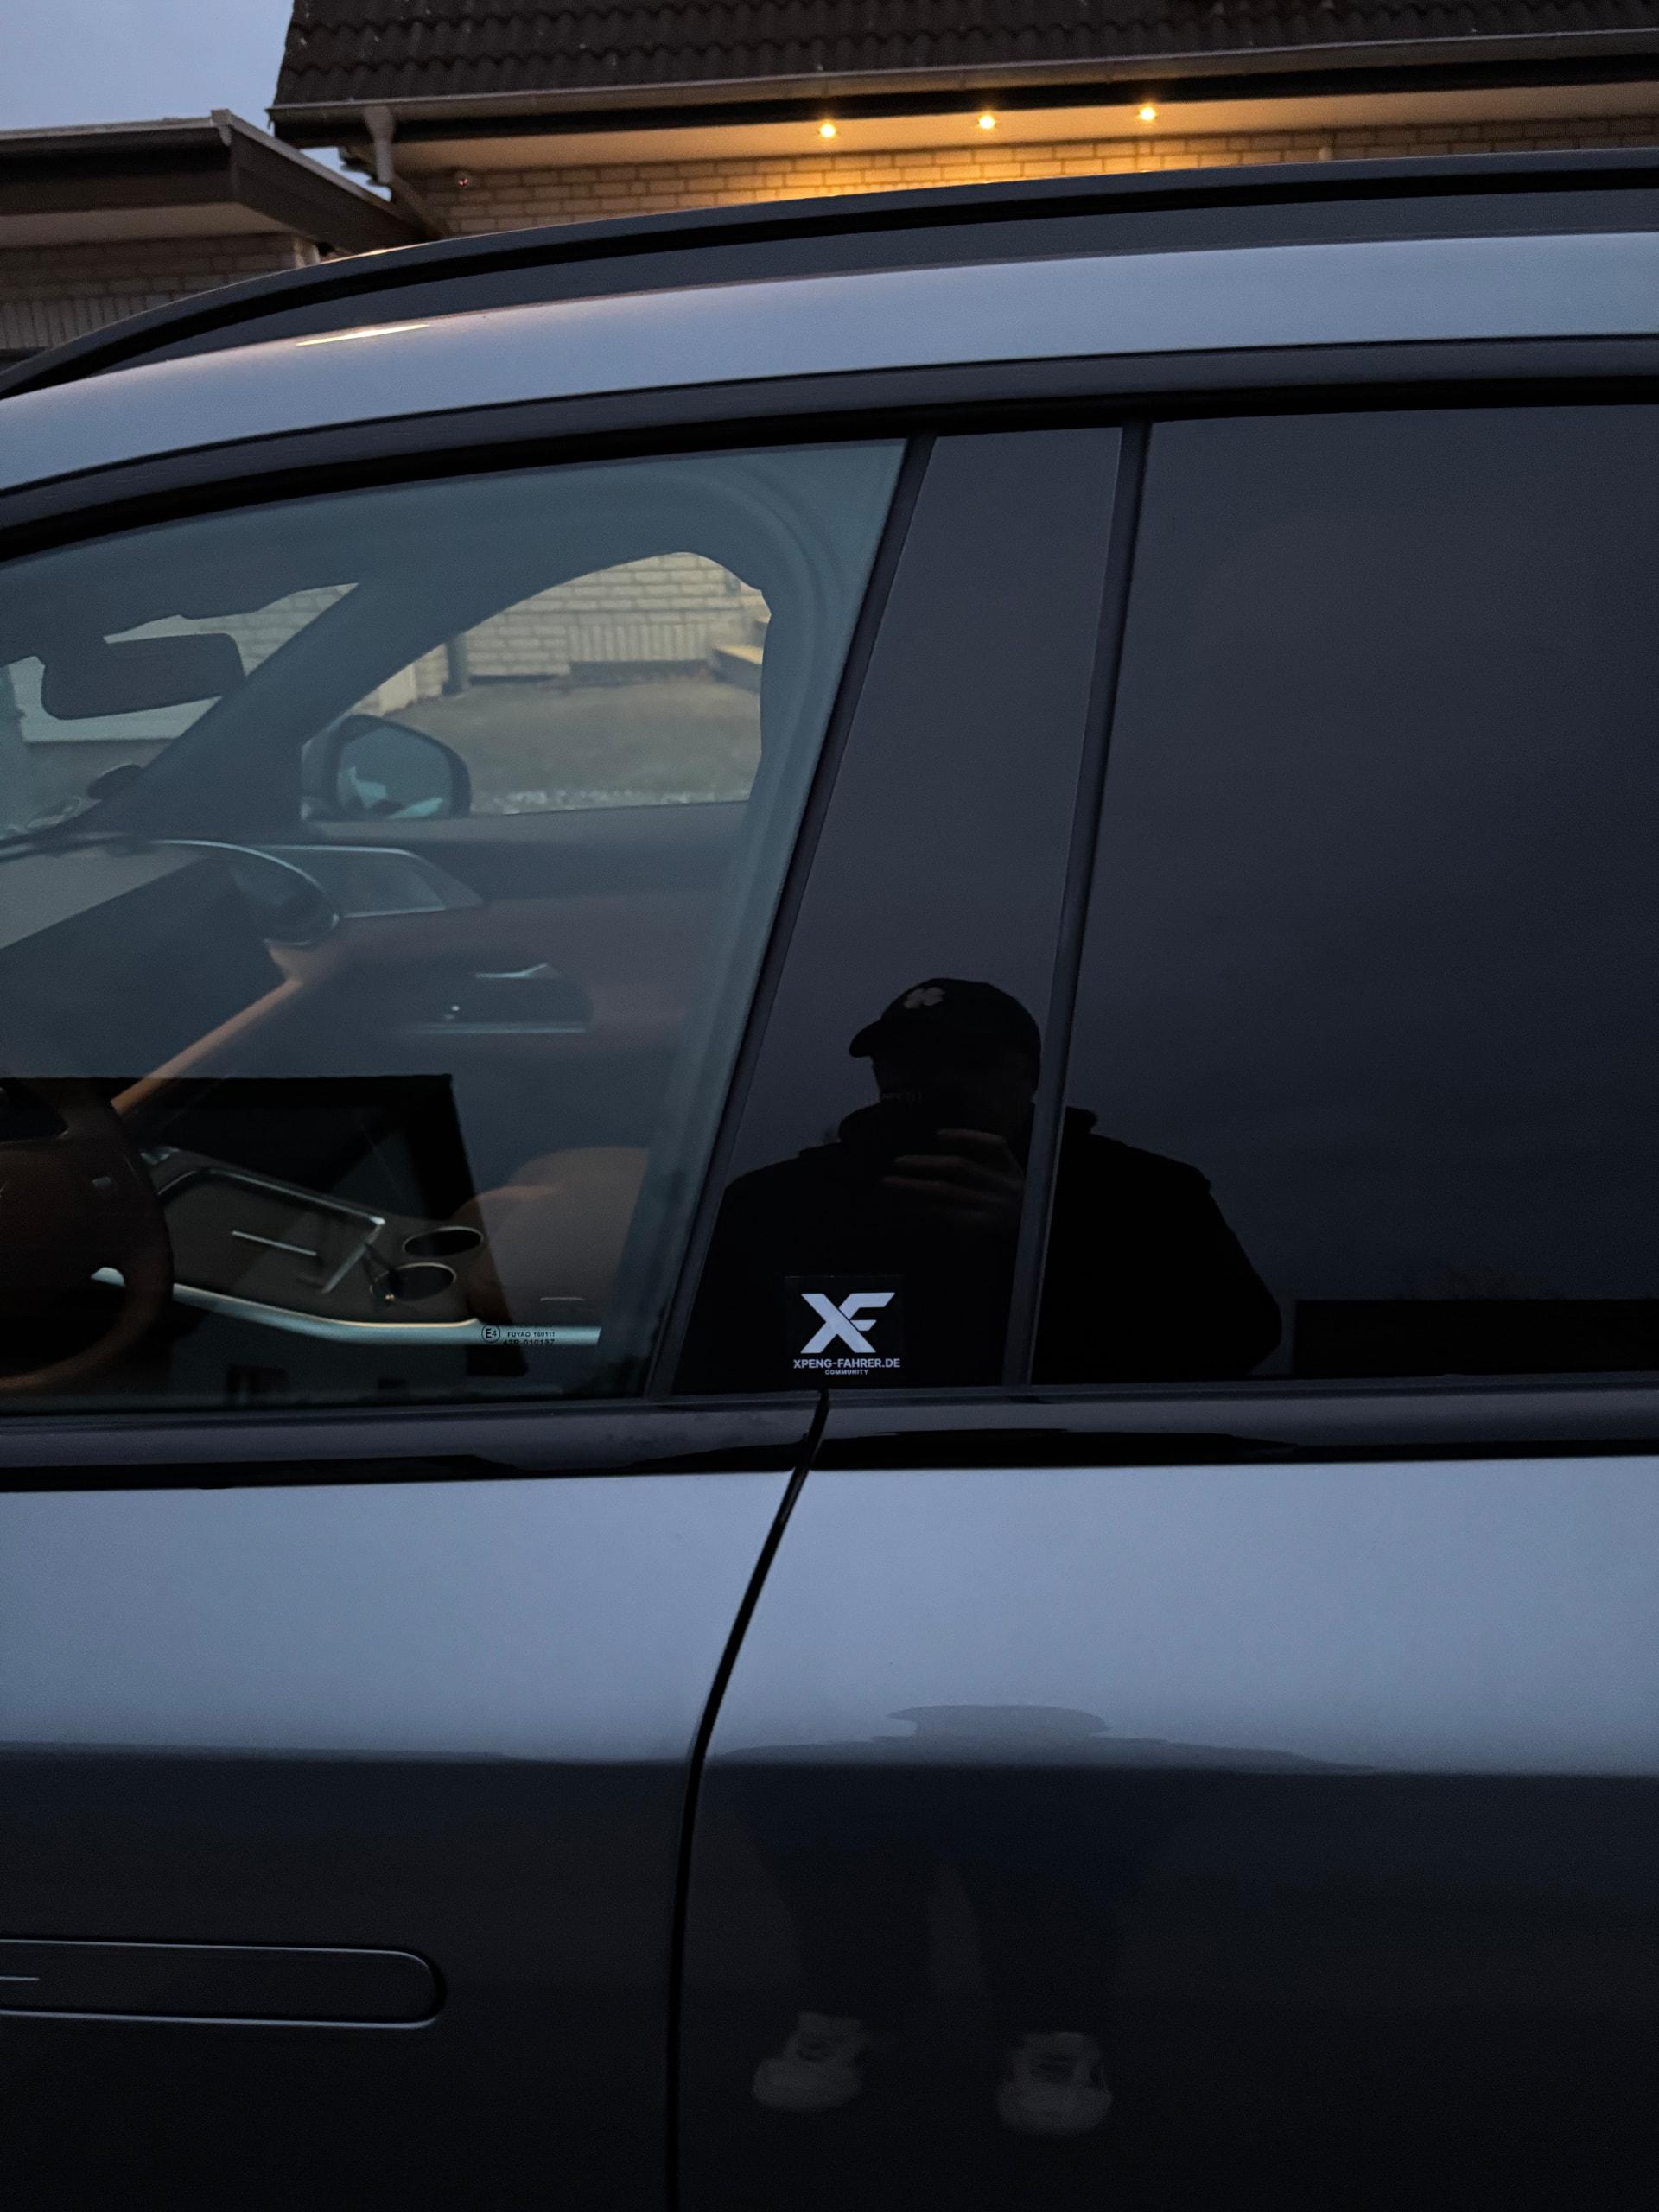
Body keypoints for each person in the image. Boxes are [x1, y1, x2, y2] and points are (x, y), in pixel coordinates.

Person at [678, 976, 1281, 1392]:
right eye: (902, 1059)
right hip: (843, 1486)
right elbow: (705, 1371)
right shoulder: (777, 1203)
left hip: (1073, 1477)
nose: (930, 1080)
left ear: (1031, 1077)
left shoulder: (1144, 1196)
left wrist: (1044, 1245)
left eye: (966, 1060)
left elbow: (1234, 1344)